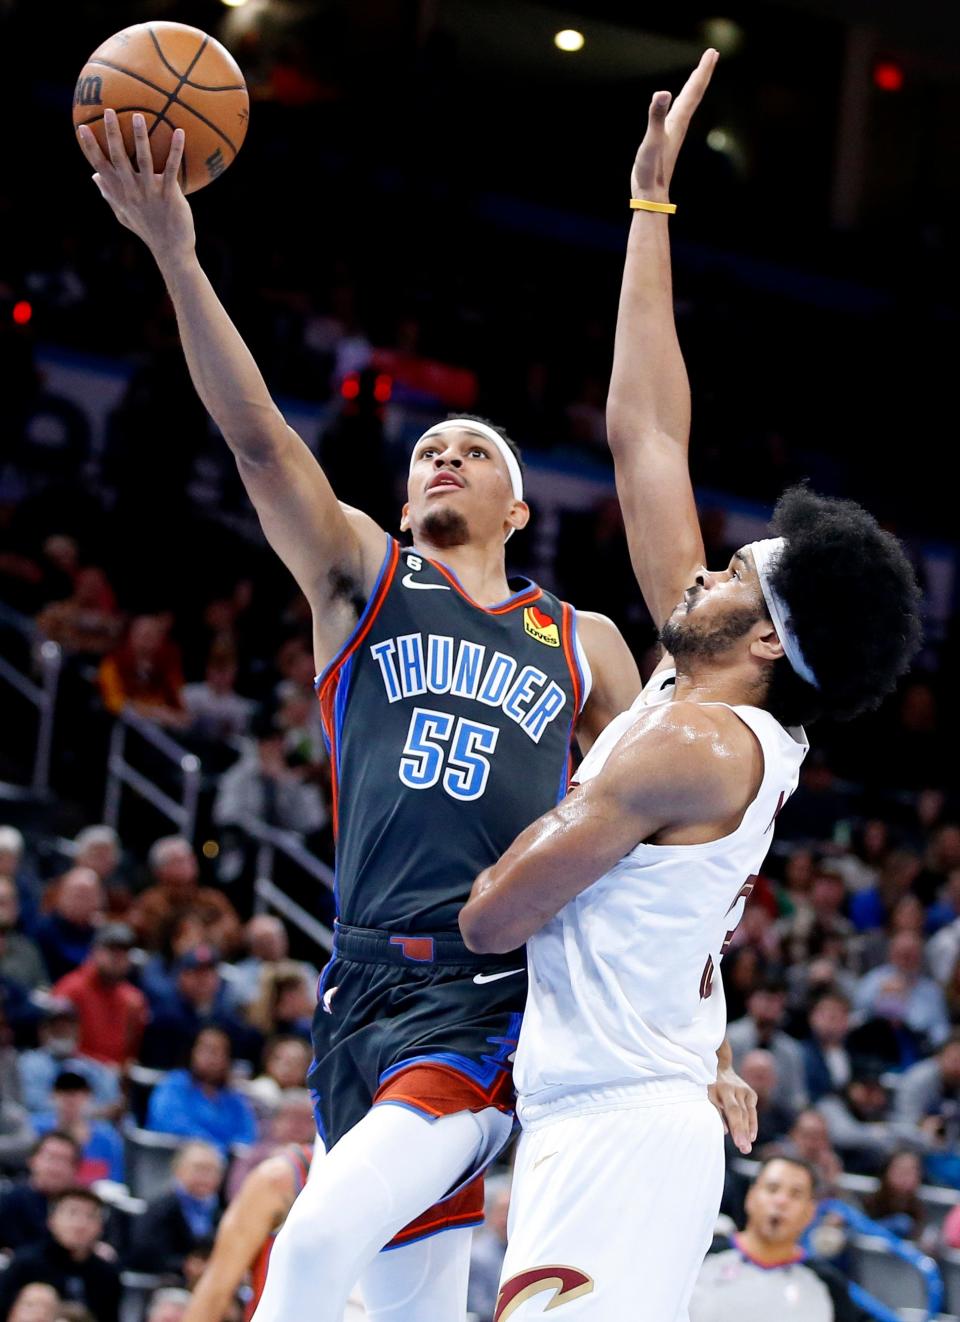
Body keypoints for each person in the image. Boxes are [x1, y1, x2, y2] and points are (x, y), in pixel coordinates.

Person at [79, 102, 644, 1322]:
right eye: (425, 446)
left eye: (469, 450)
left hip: (483, 995)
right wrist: (176, 252)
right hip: (359, 987)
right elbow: (257, 438)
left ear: (516, 507)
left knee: (319, 1235)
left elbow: (669, 817)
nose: (439, 455)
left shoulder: (578, 637)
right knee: (405, 1308)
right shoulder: (363, 579)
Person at [458, 52, 921, 1320]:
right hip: (607, 1109)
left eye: (732, 570)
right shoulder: (701, 677)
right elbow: (646, 433)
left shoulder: (700, 743)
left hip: (623, 1129)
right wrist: (650, 208)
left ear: (764, 637)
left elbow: (492, 918)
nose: (705, 564)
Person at [688, 1157, 863, 1322]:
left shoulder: (829, 1286)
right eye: (772, 1189)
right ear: (750, 1197)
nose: (781, 1201)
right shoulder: (700, 1258)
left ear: (810, 1211)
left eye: (795, 1194)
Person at [0, 1188, 121, 1322]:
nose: (80, 1224)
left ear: (101, 1227)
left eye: (90, 1216)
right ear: (51, 1220)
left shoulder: (107, 1275)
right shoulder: (25, 1263)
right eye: (72, 1214)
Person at [145, 1027, 257, 1155]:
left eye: (217, 1052)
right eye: (205, 1049)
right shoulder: (174, 1084)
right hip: (175, 1159)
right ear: (193, 1052)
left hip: (226, 1168)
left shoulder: (234, 1098)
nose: (210, 1057)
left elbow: (247, 1135)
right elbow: (167, 1123)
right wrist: (213, 1147)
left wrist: (230, 1153)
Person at [51, 923, 148, 1068]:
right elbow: (57, 1043)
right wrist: (100, 1068)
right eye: (112, 950)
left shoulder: (133, 999)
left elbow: (130, 1054)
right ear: (94, 951)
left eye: (124, 952)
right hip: (73, 1073)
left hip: (114, 1079)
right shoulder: (70, 989)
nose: (118, 958)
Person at [126, 1141, 225, 1277]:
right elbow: (144, 1253)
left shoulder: (224, 1214)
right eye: (199, 1168)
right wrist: (183, 1265)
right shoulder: (160, 1209)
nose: (205, 1176)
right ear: (178, 1170)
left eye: (212, 1170)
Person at [33, 1072, 124, 1185]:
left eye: (75, 1095)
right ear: (52, 1096)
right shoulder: (35, 1129)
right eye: (64, 1094)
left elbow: (115, 1181)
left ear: (88, 1097)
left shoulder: (108, 1139)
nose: (69, 1101)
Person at [0, 1131, 82, 1254]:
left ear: (75, 1168)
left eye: (64, 1160)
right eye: (50, 1158)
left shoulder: (83, 1209)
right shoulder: (7, 1203)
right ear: (32, 1161)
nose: (56, 1167)